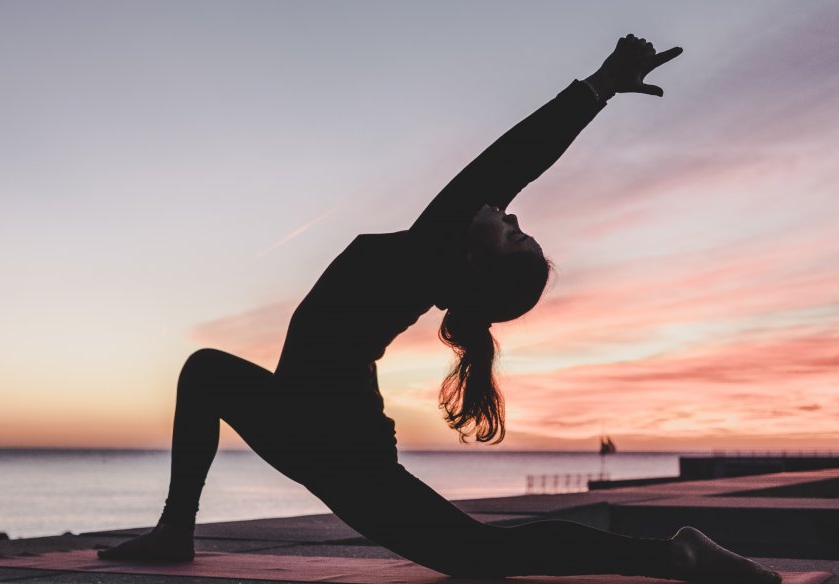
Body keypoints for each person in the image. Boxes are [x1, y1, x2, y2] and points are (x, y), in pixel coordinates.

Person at [100, 35, 782, 583]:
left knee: (483, 560)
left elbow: (512, 159)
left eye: (512, 232)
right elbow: (507, 172)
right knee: (205, 372)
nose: (508, 212)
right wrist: (598, 88)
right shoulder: (432, 260)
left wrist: (599, 87)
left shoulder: (433, 250)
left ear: (478, 264)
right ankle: (176, 530)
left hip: (337, 448)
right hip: (306, 424)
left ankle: (672, 555)